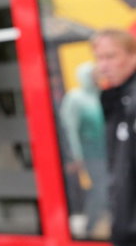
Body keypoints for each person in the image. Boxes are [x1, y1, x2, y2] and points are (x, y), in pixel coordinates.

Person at [94, 28, 136, 246]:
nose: (103, 66)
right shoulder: (115, 99)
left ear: (133, 55)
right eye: (99, 58)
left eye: (111, 56)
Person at [61, 60, 110, 238]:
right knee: (100, 189)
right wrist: (76, 156)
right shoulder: (75, 98)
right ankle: (90, 228)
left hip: (109, 151)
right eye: (93, 74)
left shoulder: (102, 94)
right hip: (90, 154)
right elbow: (70, 129)